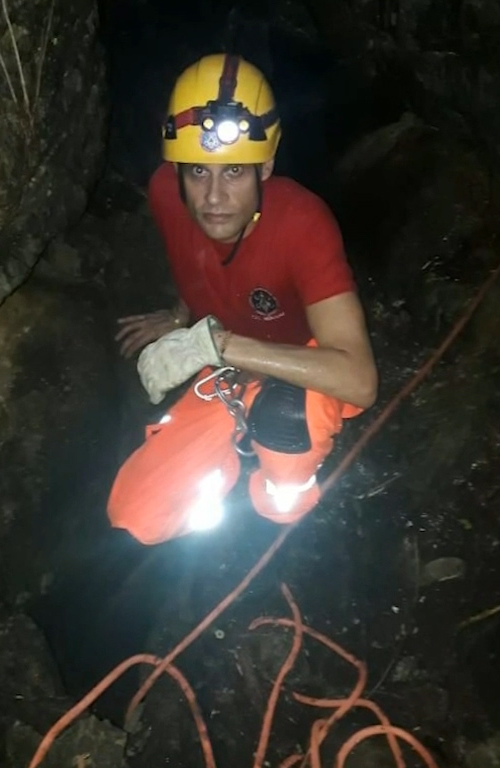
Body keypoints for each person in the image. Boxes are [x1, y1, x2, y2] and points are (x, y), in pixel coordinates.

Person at [108, 53, 377, 545]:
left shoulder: (302, 224)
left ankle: (285, 514)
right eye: (198, 172)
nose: (212, 197)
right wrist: (178, 315)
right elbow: (196, 266)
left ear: (265, 166)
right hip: (232, 369)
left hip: (305, 370)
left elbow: (359, 380)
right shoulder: (167, 194)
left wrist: (214, 346)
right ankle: (236, 451)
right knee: (136, 516)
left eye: (234, 172)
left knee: (286, 422)